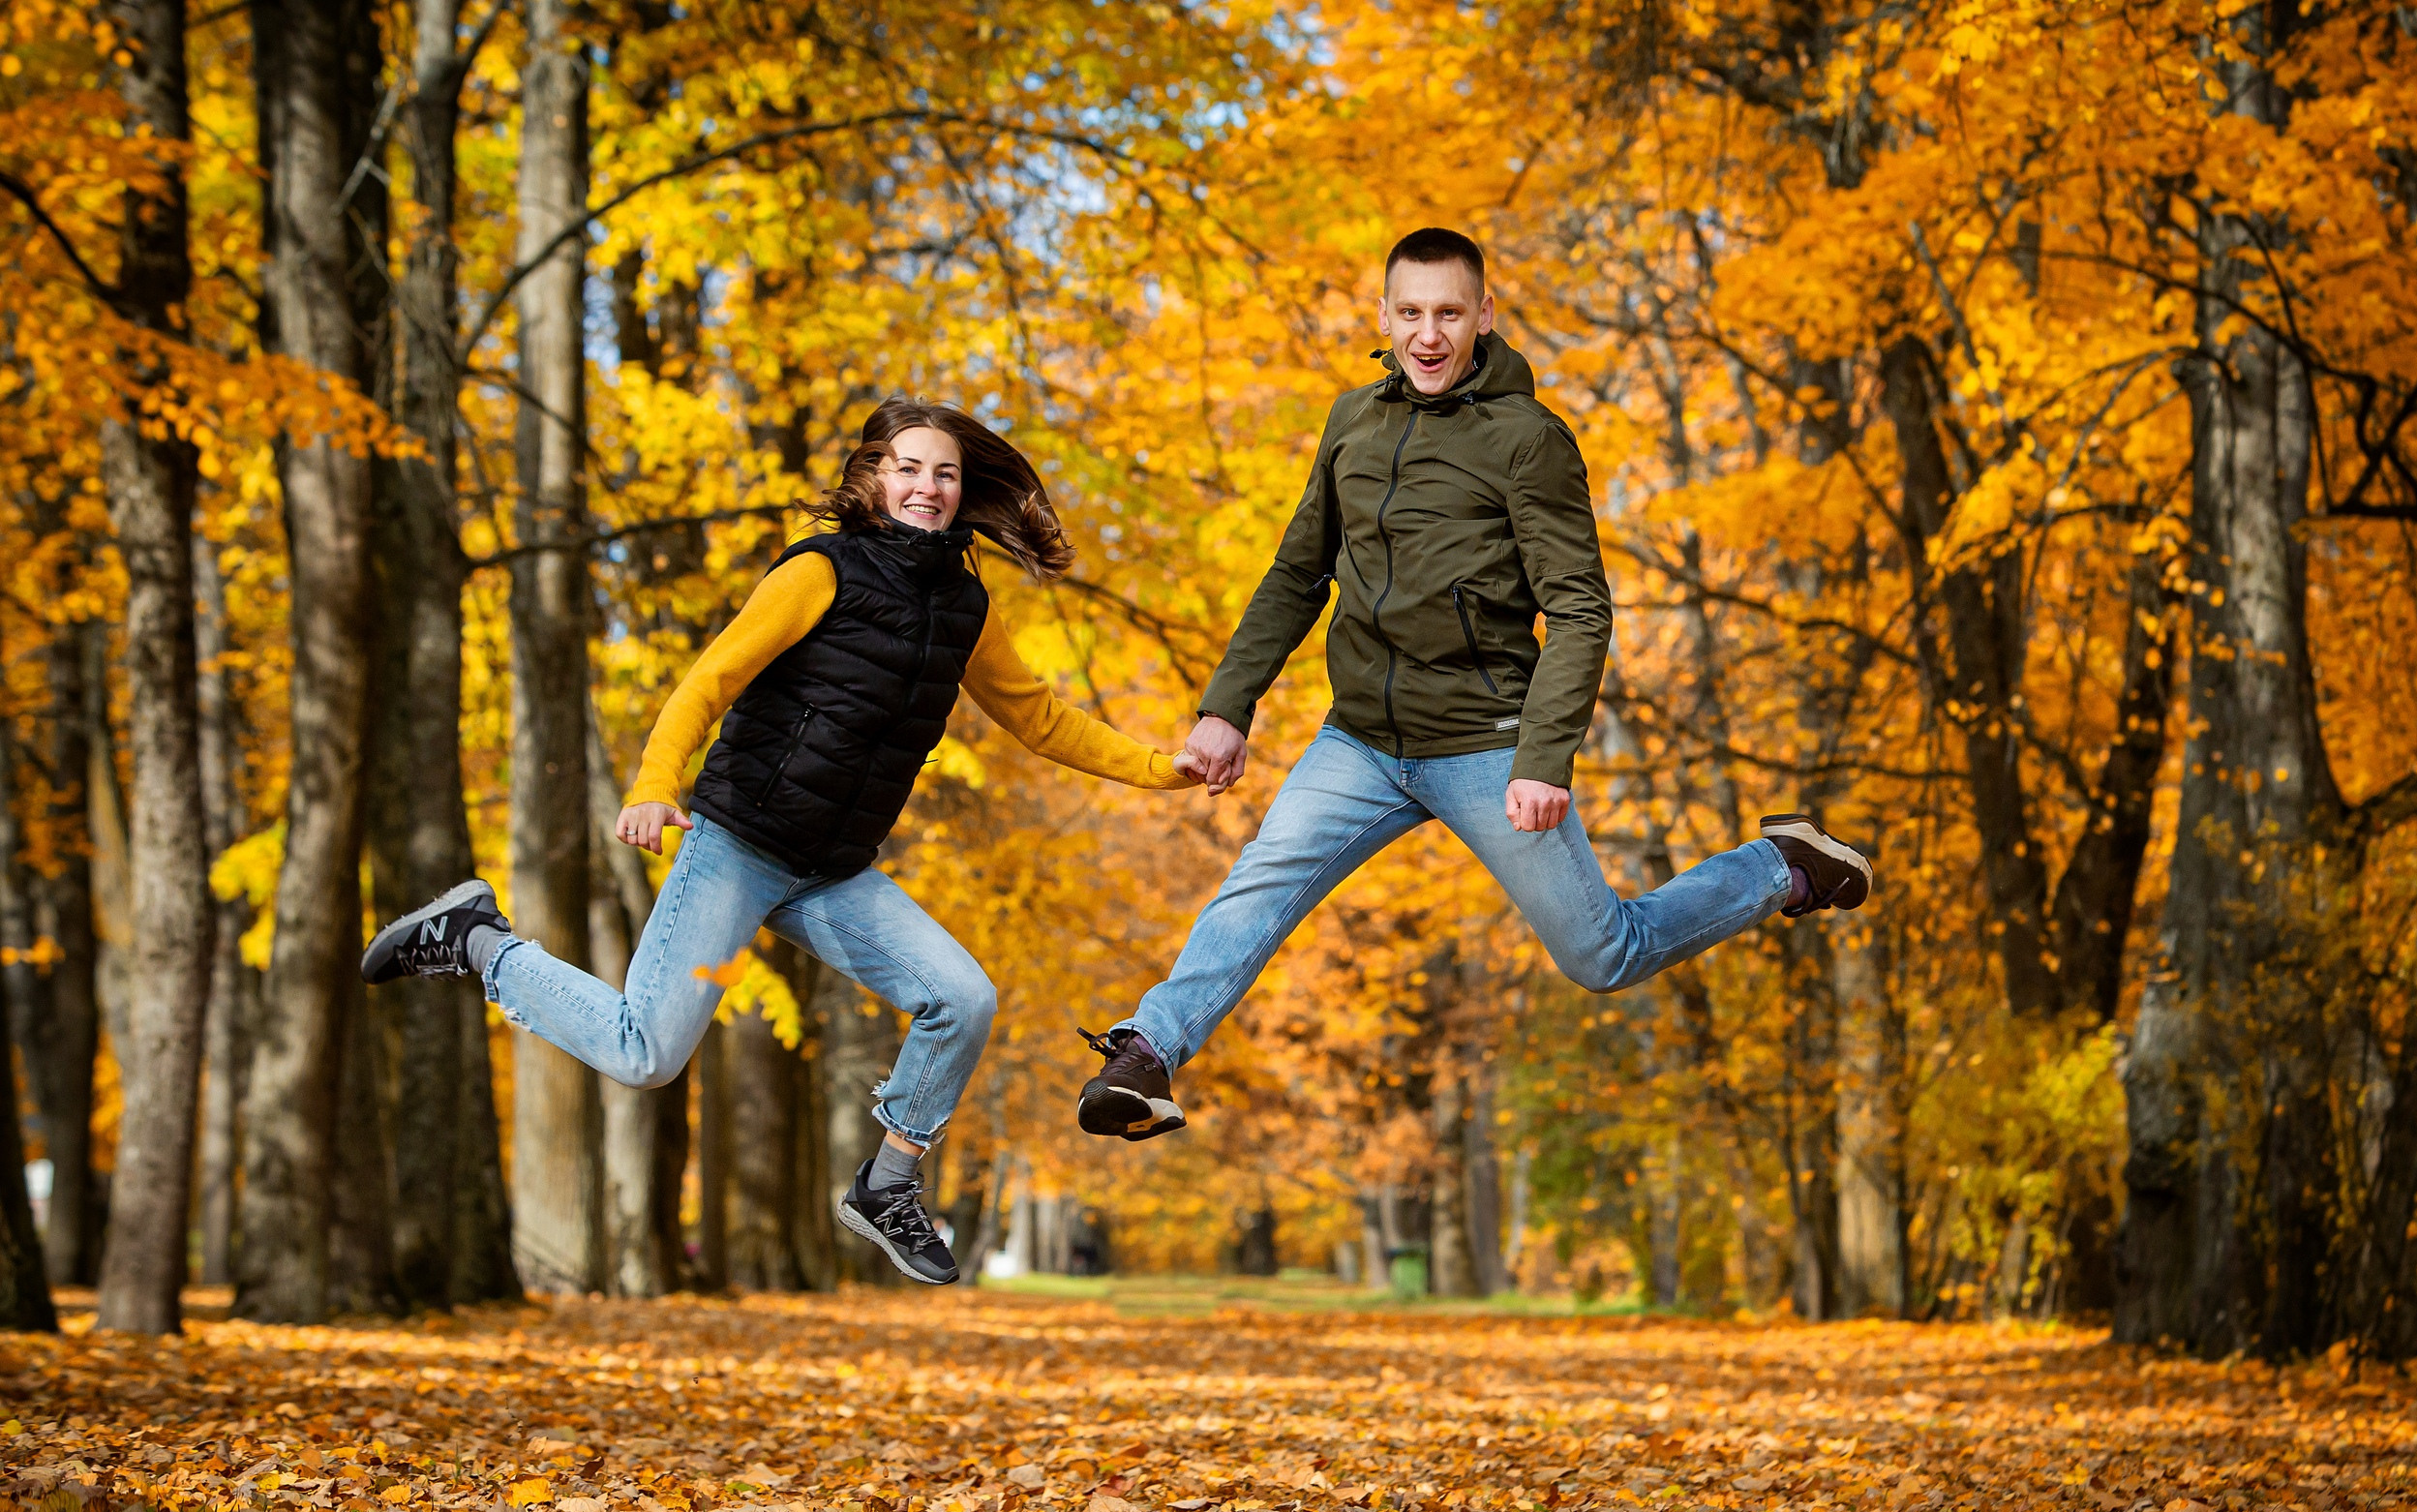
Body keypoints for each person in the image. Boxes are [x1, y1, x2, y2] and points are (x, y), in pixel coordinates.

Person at [363, 396, 1199, 1284]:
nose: (928, 486)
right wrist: (655, 783)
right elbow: (706, 681)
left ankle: (887, 1185)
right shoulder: (819, 571)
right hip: (737, 845)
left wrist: (1161, 767)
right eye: (909, 468)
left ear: (962, 492)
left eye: (945, 473)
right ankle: (475, 938)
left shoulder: (965, 605)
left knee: (964, 997)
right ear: (874, 477)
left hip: (833, 872)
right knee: (644, 1052)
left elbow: (1040, 718)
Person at [1074, 228, 1873, 1141]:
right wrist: (1227, 705)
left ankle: (1783, 866)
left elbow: (1579, 611)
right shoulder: (1352, 422)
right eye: (1409, 313)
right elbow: (1298, 573)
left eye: (1448, 313)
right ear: (1383, 317)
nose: (1428, 334)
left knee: (1603, 954)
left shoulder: (1528, 441)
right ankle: (1147, 1053)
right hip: (1361, 741)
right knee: (1257, 885)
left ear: (1483, 316)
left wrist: (1543, 759)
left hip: (1489, 746)